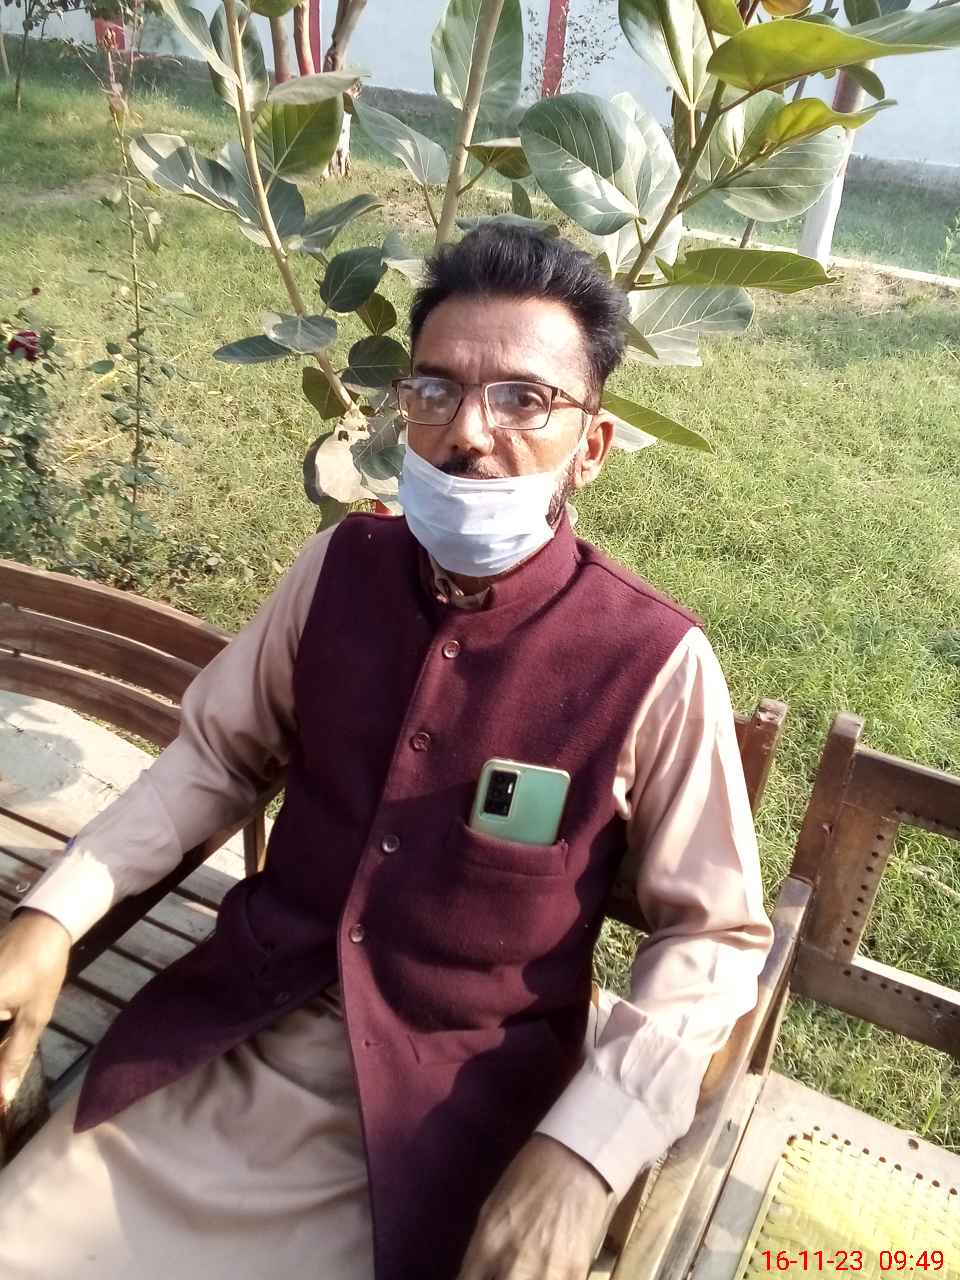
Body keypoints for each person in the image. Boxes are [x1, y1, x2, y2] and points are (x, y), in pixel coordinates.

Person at [0, 226, 773, 1280]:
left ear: (590, 446)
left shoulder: (650, 661)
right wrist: (54, 915)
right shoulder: (337, 569)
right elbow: (213, 759)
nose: (469, 433)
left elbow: (714, 934)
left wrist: (586, 1153)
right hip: (222, 1044)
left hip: (445, 1123)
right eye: (436, 390)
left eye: (524, 399)